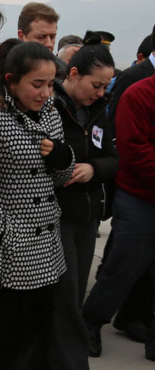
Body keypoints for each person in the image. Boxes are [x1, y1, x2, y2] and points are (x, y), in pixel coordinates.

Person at [0, 41, 74, 370]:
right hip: (9, 250)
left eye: (50, 83)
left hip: (46, 247)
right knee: (6, 343)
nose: (46, 92)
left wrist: (64, 158)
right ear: (12, 80)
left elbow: (59, 179)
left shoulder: (52, 112)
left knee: (39, 338)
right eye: (37, 84)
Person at [50, 43, 118, 370]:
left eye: (106, 86)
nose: (101, 92)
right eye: (96, 85)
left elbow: (113, 159)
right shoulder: (50, 107)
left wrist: (93, 170)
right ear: (74, 74)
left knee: (75, 297)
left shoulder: (99, 111)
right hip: (57, 216)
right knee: (64, 298)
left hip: (88, 217)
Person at [82, 72, 155, 362]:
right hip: (139, 198)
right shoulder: (139, 95)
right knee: (122, 267)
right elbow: (133, 149)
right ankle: (91, 322)